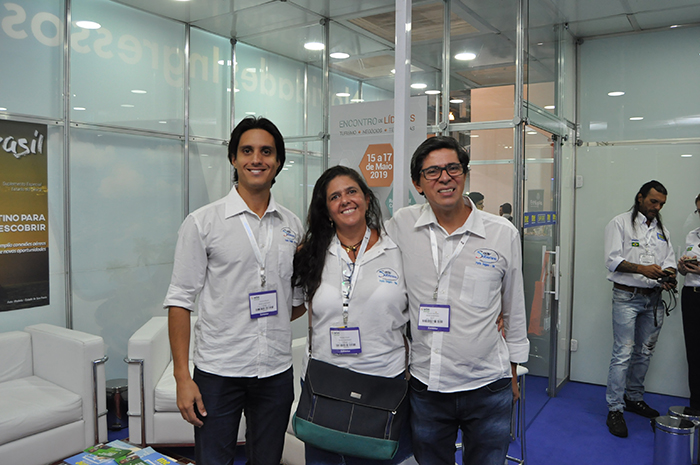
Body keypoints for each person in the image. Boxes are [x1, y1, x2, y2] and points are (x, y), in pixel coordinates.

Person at [164, 116, 304, 465]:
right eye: (247, 150)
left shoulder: (292, 225)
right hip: (218, 372)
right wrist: (183, 377)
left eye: (266, 151)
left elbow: (294, 303)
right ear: (233, 159)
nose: (257, 159)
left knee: (268, 460)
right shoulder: (203, 222)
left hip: (274, 371)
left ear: (278, 162)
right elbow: (180, 300)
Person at [385, 136, 529, 465]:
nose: (445, 177)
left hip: (488, 385)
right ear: (417, 183)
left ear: (464, 174)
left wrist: (514, 370)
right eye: (432, 172)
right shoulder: (402, 226)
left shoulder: (501, 233)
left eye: (453, 168)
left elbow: (514, 308)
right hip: (427, 386)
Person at [292, 165, 412, 465]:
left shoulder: (398, 249)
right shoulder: (311, 254)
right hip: (326, 381)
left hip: (382, 382)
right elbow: (291, 305)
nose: (345, 200)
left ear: (367, 199)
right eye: (334, 196)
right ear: (327, 209)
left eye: (351, 191)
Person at [603, 180, 677, 438]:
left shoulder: (662, 229)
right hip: (627, 297)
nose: (657, 207)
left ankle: (634, 398)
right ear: (640, 198)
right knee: (623, 353)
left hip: (653, 298)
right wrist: (642, 268)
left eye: (661, 204)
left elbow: (669, 261)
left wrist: (668, 275)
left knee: (644, 353)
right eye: (653, 201)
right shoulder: (620, 223)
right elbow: (612, 260)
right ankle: (615, 408)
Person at [677, 193, 700, 416]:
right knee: (693, 353)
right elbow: (685, 267)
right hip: (691, 296)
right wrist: (683, 267)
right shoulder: (692, 236)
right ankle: (696, 407)